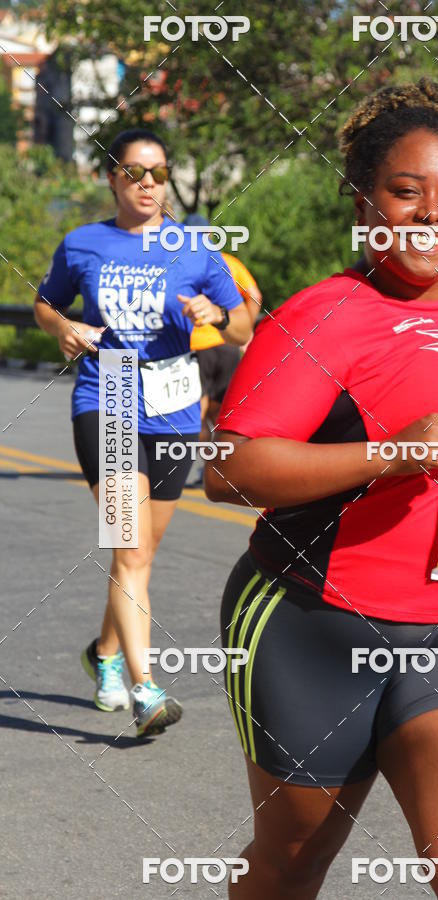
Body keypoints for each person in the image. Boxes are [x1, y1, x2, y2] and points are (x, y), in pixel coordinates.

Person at [204, 77, 438, 898]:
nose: (428, 213)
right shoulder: (322, 316)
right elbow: (228, 469)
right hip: (314, 626)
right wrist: (389, 454)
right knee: (289, 867)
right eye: (404, 192)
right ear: (363, 198)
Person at [34, 128, 252, 737]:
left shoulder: (195, 248)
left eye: (158, 172)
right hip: (107, 395)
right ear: (112, 177)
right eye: (135, 172)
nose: (149, 183)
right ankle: (145, 687)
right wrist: (62, 328)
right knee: (128, 550)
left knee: (141, 556)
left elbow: (243, 326)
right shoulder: (83, 244)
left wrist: (218, 315)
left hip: (175, 405)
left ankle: (104, 653)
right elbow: (46, 303)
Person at [184, 214, 263, 484]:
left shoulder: (184, 262)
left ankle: (205, 471)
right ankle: (224, 470)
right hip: (228, 346)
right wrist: (245, 329)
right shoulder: (227, 261)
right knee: (221, 416)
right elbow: (254, 295)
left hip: (199, 348)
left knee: (197, 413)